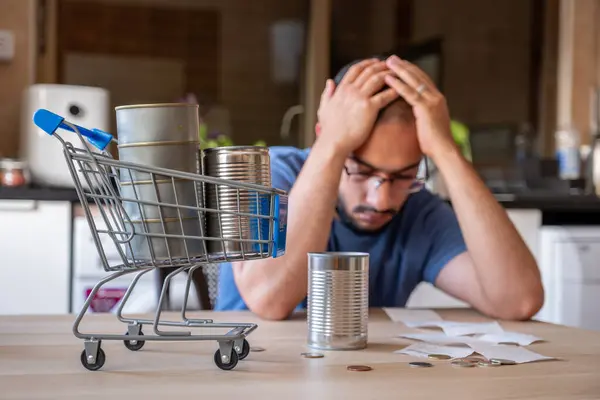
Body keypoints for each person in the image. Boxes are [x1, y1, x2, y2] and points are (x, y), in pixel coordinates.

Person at [214, 54, 544, 321]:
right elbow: (269, 300)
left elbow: (518, 300)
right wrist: (332, 145)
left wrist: (446, 152)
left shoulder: (419, 211)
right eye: (360, 170)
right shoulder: (273, 173)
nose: (381, 199)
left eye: (403, 176)